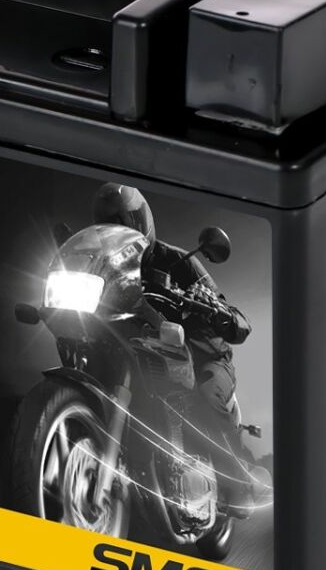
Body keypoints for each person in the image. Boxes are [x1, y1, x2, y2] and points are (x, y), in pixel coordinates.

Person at [91, 183, 259, 509]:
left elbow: (232, 315)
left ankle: (239, 484)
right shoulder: (107, 265)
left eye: (123, 221)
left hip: (204, 357)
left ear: (141, 221)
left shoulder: (178, 260)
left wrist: (217, 311)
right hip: (147, 350)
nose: (117, 229)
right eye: (108, 223)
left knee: (209, 394)